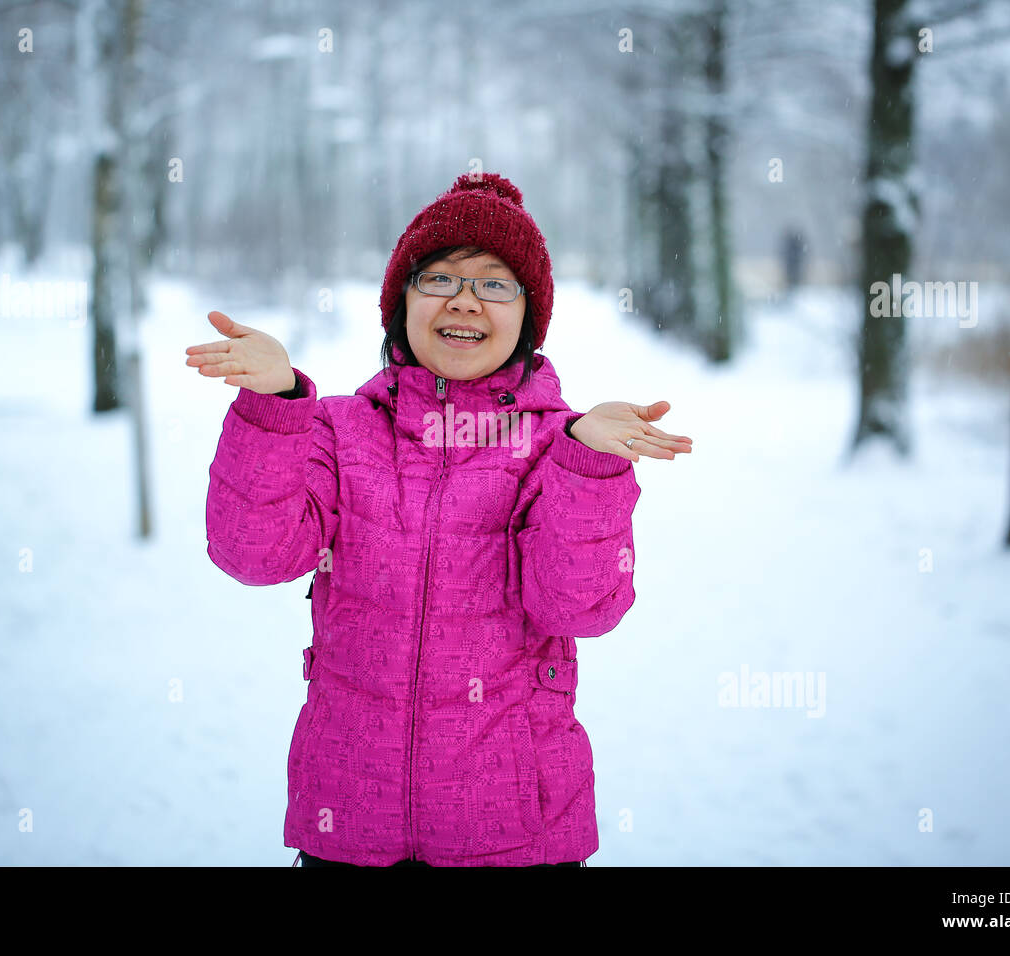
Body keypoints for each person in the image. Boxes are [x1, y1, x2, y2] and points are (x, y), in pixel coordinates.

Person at [187, 171, 691, 867]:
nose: (464, 300)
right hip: (348, 827)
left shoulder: (558, 445)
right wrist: (274, 405)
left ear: (527, 316)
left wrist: (589, 467)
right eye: (440, 278)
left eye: (494, 283)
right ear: (400, 303)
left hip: (519, 837)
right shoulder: (337, 429)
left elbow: (580, 608)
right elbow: (252, 552)